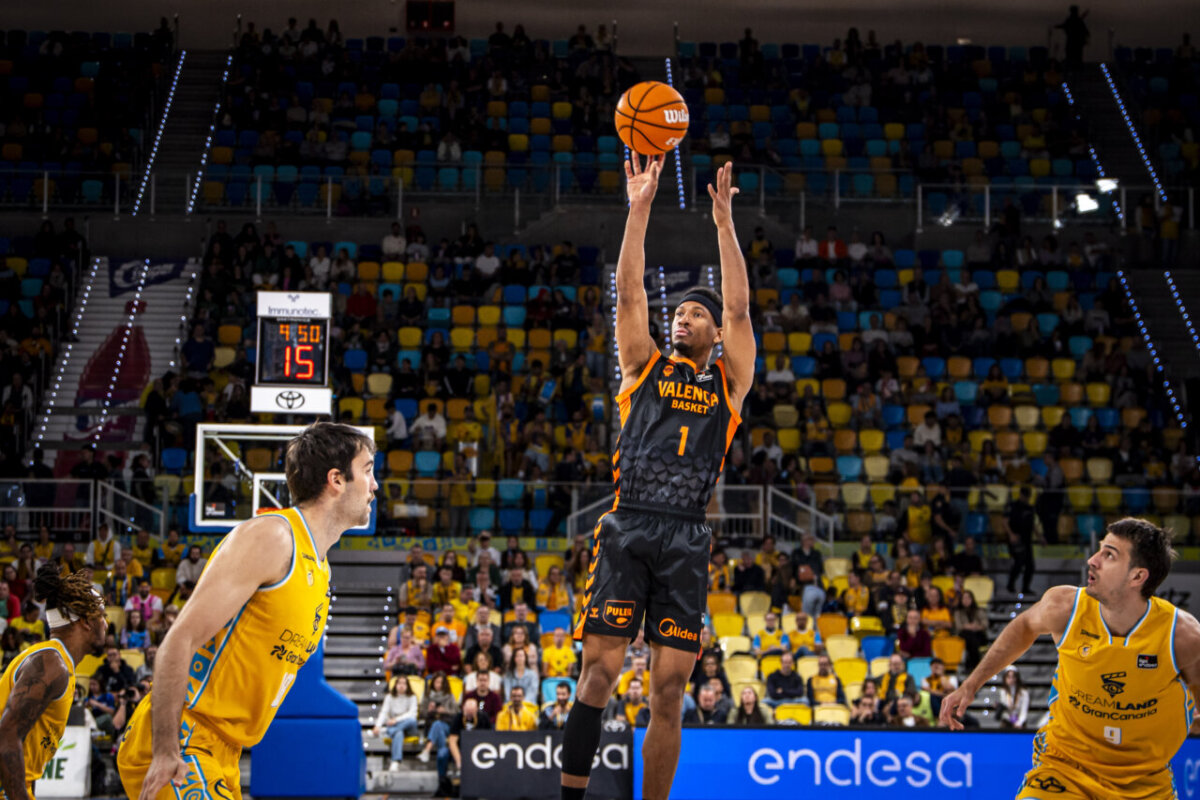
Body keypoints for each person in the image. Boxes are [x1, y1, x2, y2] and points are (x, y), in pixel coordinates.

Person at [560, 158, 754, 800]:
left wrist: (724, 223)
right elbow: (629, 290)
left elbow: (740, 306)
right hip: (628, 524)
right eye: (681, 314)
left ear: (715, 332)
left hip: (687, 538)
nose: (683, 319)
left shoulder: (729, 380)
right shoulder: (643, 363)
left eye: (696, 316)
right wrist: (638, 206)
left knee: (669, 692)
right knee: (598, 675)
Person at [117, 422, 377, 800]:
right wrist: (165, 751)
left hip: (225, 753)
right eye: (368, 470)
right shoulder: (273, 537)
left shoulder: (320, 568)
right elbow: (178, 641)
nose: (375, 485)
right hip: (185, 740)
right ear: (336, 479)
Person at [941, 518, 1200, 799]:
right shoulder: (1065, 606)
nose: (1093, 560)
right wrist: (971, 684)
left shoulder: (1182, 636)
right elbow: (1024, 626)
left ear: (1137, 577)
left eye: (1109, 555)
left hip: (1144, 782)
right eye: (1100, 549)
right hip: (1064, 768)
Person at [0, 564, 107, 800]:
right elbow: (6, 736)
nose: (107, 625)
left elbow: (27, 762)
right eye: (103, 616)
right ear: (87, 622)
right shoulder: (51, 664)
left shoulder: (54, 661)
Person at [372, 676, 420, 771]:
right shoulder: (389, 697)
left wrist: (396, 720)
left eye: (404, 683)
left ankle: (387, 730)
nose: (401, 686)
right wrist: (377, 726)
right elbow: (384, 712)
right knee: (398, 733)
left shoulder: (412, 697)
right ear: (395, 685)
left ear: (407, 685)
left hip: (408, 727)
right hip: (396, 726)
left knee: (412, 720)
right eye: (399, 683)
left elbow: (412, 714)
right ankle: (395, 761)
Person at [1005, 486, 1041, 595]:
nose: (1025, 498)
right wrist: (1011, 535)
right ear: (1020, 495)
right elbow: (1005, 521)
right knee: (1019, 562)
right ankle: (1010, 586)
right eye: (1024, 496)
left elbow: (1033, 524)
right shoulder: (1013, 506)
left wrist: (1040, 536)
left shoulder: (1029, 508)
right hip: (1016, 539)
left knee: (1030, 565)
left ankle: (1026, 588)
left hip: (1027, 540)